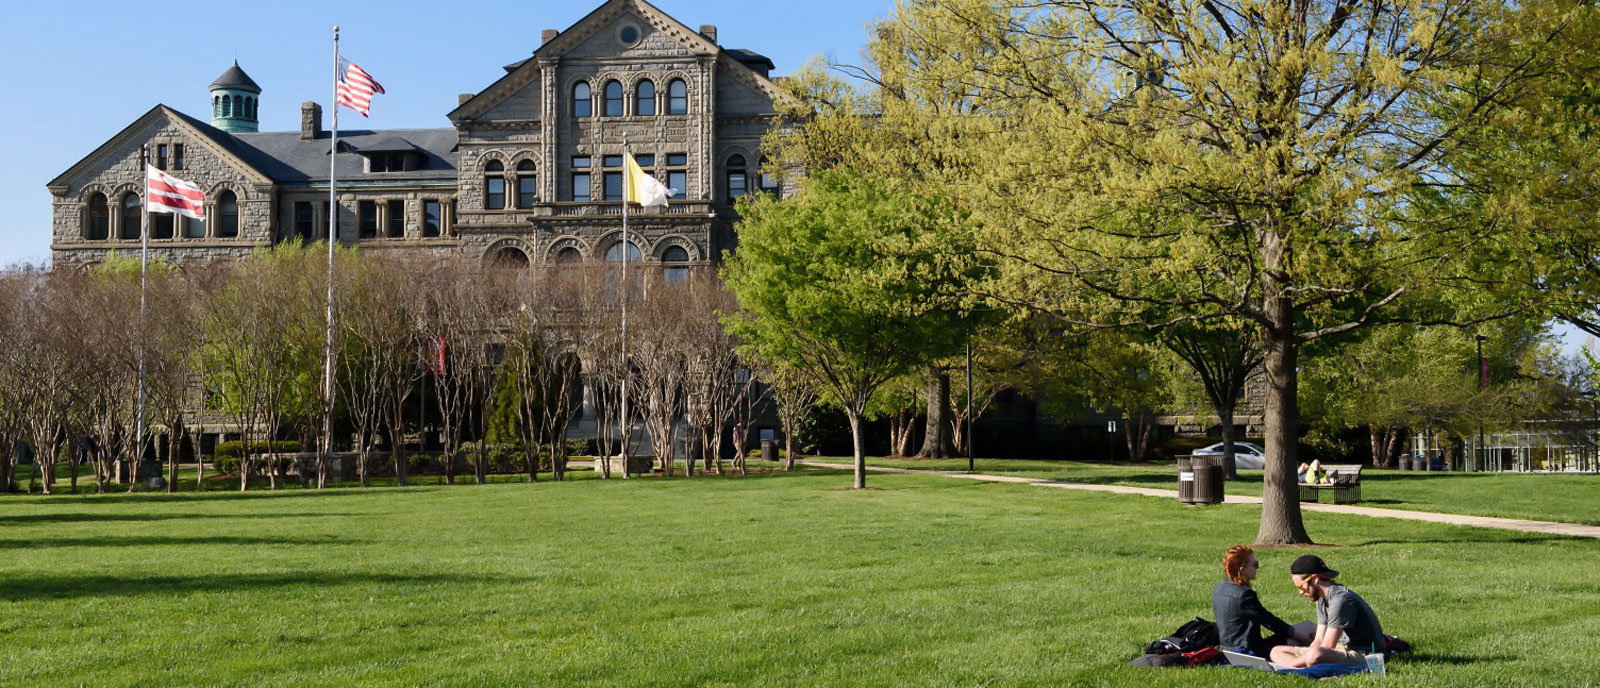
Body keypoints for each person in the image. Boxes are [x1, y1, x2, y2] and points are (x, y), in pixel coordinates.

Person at [1270, 555, 1386, 668]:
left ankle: (1296, 666)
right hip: (1338, 648)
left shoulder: (1340, 599)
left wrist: (1308, 655)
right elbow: (1319, 639)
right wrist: (1309, 651)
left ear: (1314, 578)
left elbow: (1328, 646)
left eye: (1301, 586)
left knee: (1315, 655)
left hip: (1361, 653)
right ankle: (1302, 666)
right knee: (1275, 651)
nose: (1301, 592)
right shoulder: (1321, 598)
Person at [1212, 545, 1305, 657]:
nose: (1257, 568)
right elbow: (1269, 621)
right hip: (1248, 650)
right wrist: (1296, 634)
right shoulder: (1244, 595)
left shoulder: (1219, 589)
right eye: (1255, 565)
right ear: (1243, 569)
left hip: (1227, 648)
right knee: (1304, 629)